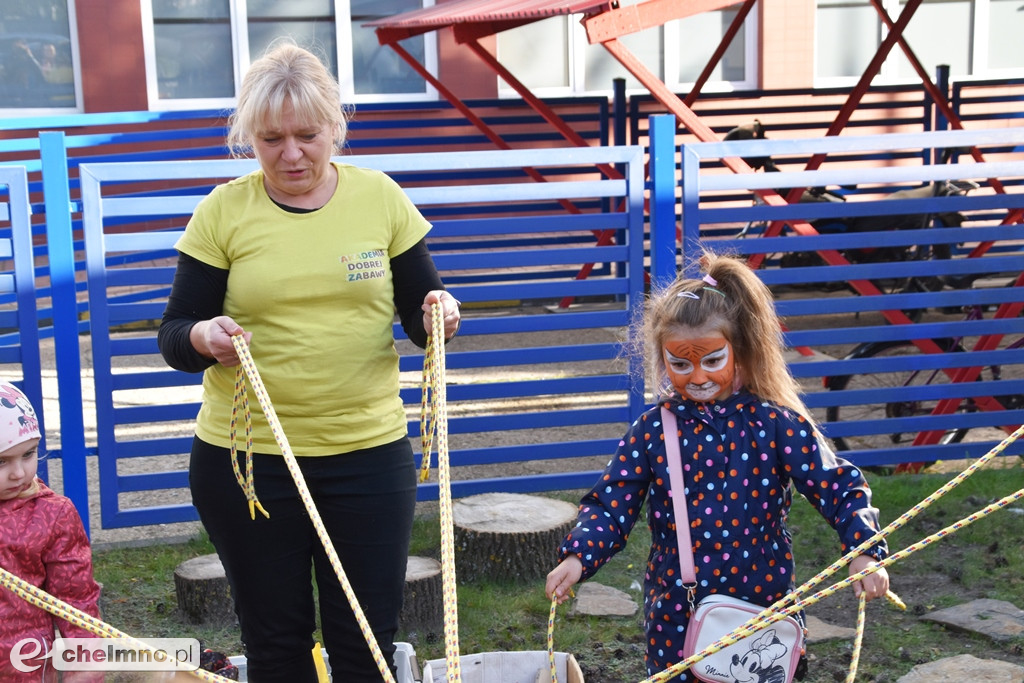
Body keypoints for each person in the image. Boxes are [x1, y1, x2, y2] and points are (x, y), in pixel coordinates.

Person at [157, 42, 460, 682]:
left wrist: (438, 315)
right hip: (250, 465)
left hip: (368, 456)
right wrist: (203, 337)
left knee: (366, 648)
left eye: (306, 135)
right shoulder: (223, 211)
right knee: (276, 643)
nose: (291, 154)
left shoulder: (380, 199)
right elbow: (174, 334)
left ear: (334, 129)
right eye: (271, 140)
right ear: (248, 138)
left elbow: (417, 314)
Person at [545, 252, 889, 681]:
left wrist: (864, 550)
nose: (697, 376)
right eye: (681, 363)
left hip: (763, 607)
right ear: (663, 358)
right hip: (678, 615)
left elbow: (837, 485)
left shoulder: (775, 423)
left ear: (739, 351)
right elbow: (612, 504)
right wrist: (578, 556)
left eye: (711, 360)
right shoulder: (653, 430)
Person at [0, 381, 103, 682]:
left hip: (24, 666)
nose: (19, 472)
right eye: (1, 461)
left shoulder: (51, 514)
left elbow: (75, 597)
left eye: (28, 454)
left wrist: (85, 659)